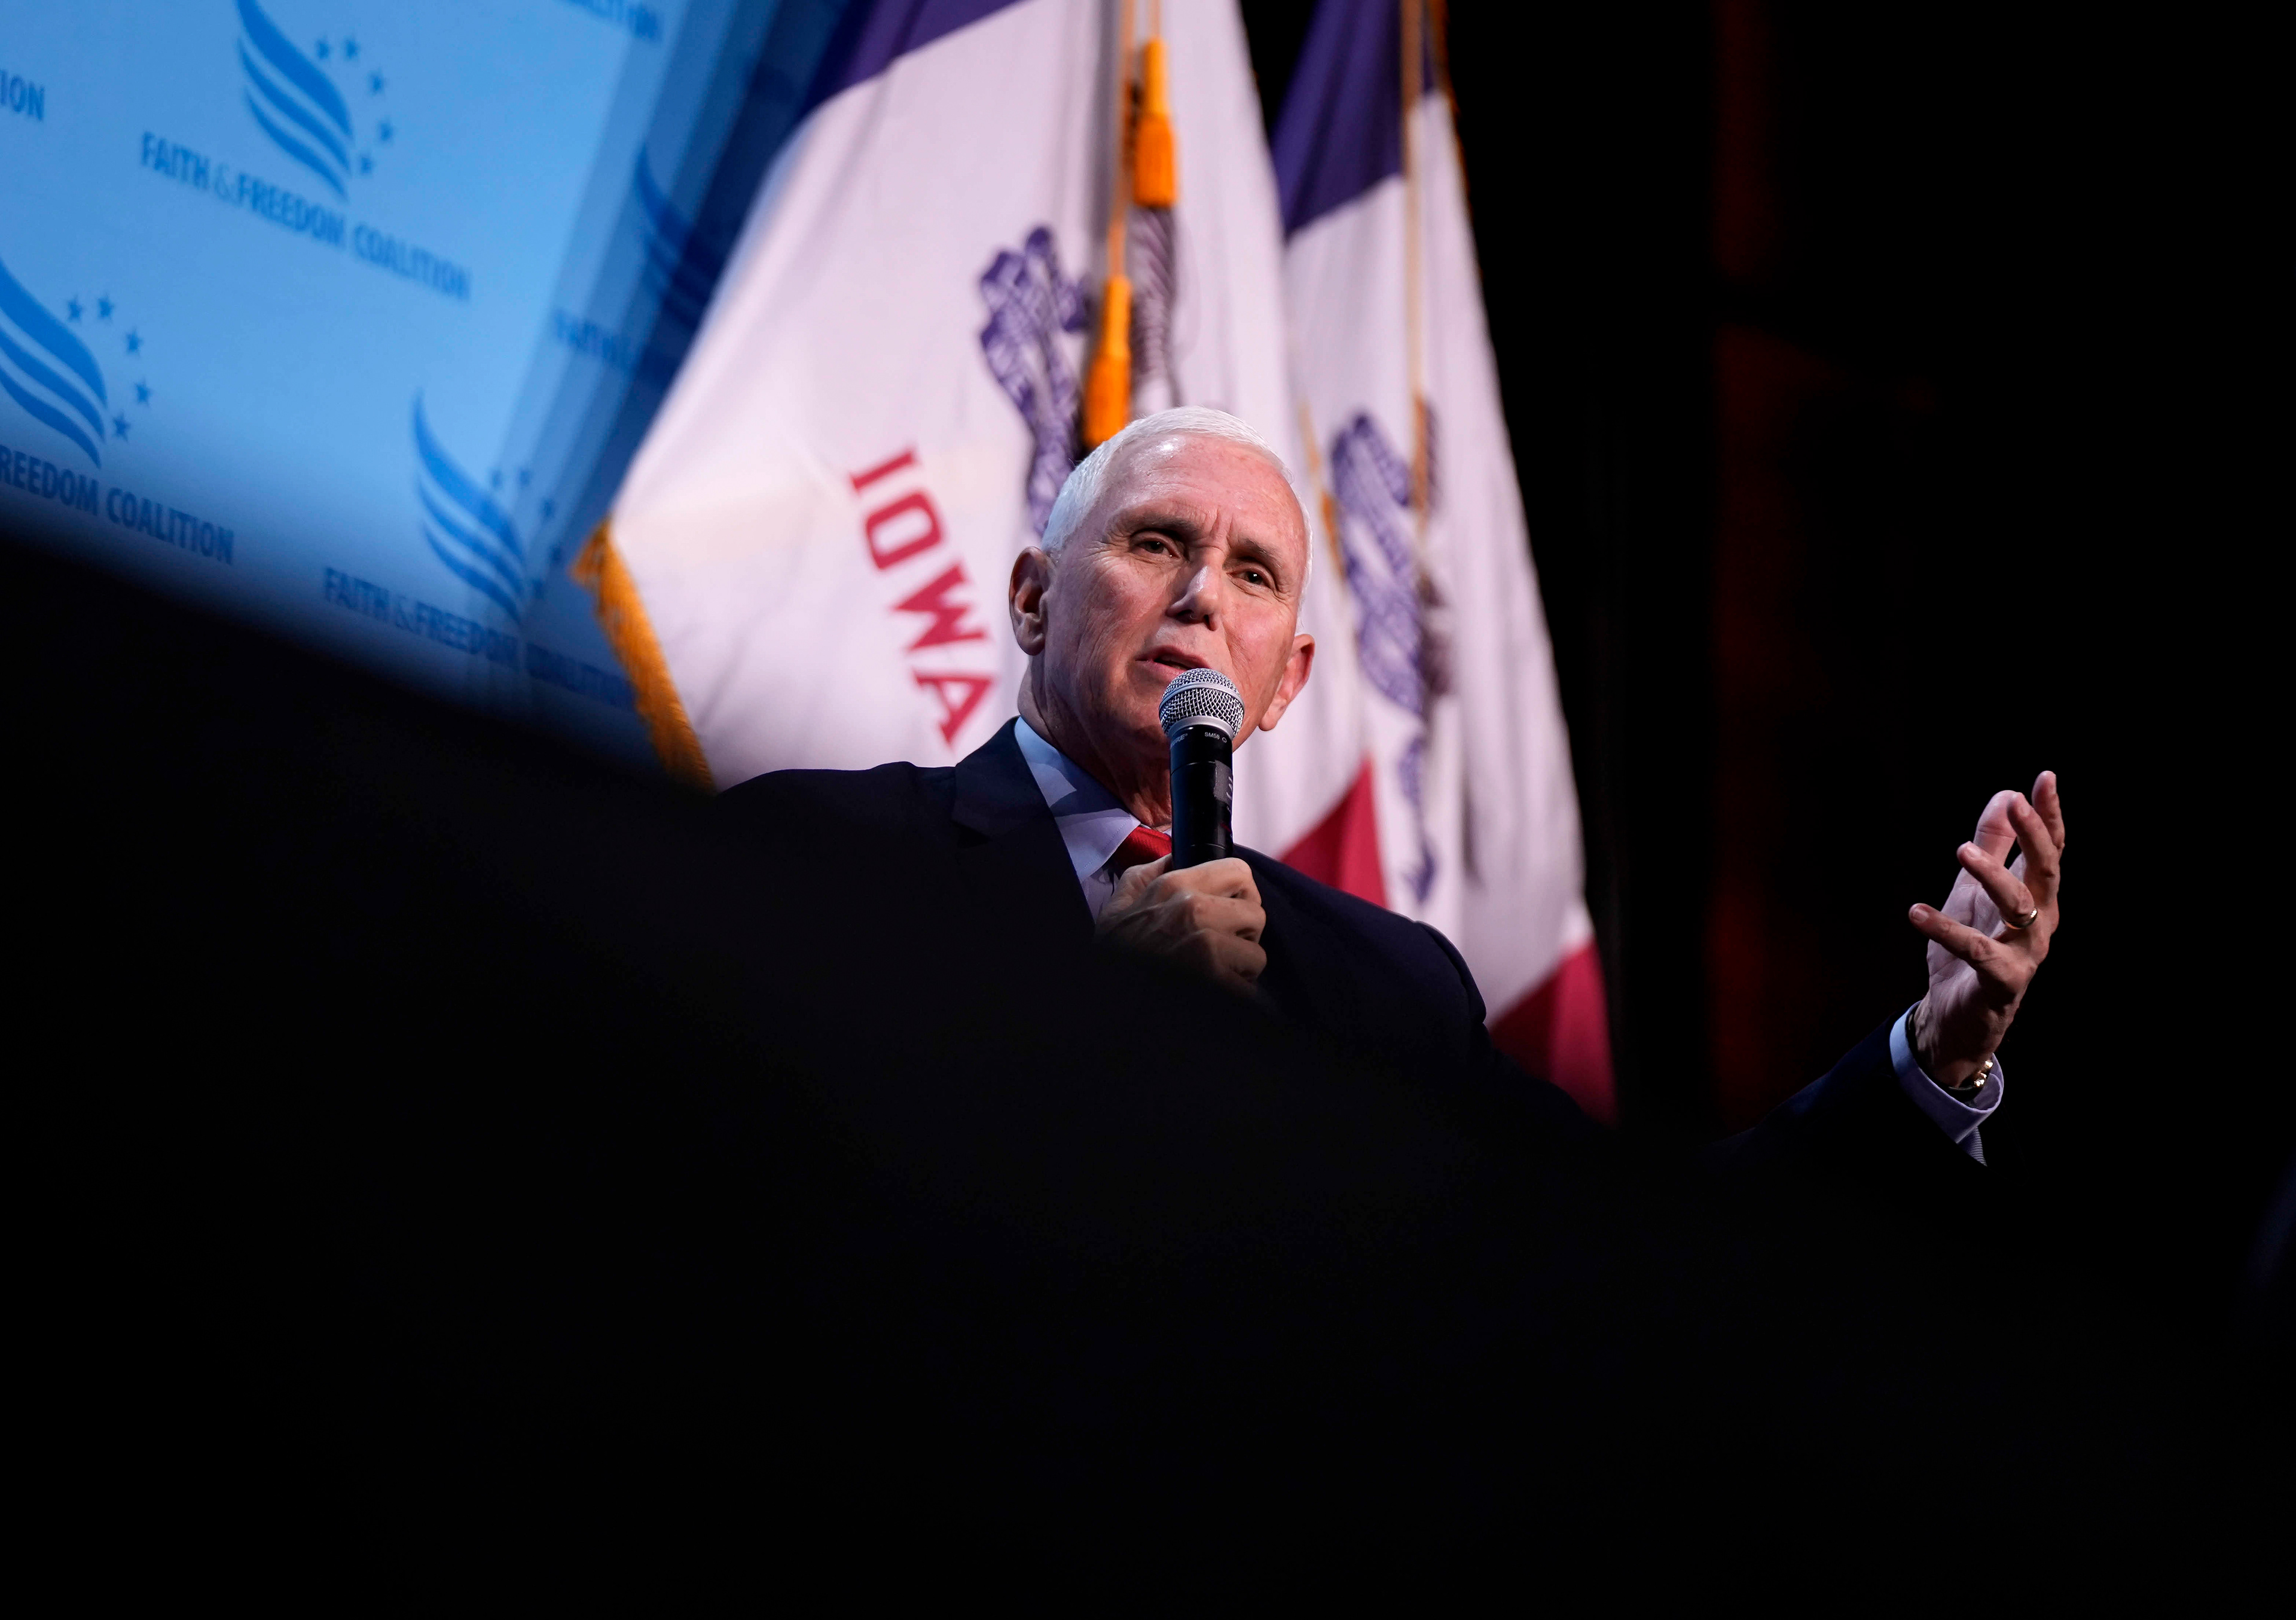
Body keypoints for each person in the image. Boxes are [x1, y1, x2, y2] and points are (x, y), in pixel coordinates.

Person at [720, 407, 2064, 1172]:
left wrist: (1933, 1059)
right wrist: (1087, 1013)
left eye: (1254, 573)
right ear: (1031, 599)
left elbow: (1658, 1260)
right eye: (1156, 542)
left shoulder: (1390, 986)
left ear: (1284, 680)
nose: (1202, 592)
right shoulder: (815, 856)